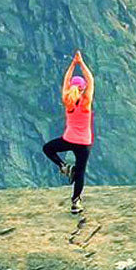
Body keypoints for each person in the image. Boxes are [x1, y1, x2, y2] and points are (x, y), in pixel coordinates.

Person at [43, 50, 95, 214]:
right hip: (84, 143)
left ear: (72, 87)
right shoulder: (86, 102)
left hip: (69, 139)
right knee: (80, 173)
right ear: (83, 88)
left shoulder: (67, 101)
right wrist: (81, 63)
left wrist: (73, 64)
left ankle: (63, 166)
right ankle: (76, 203)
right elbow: (91, 80)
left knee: (48, 148)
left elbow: (66, 81)